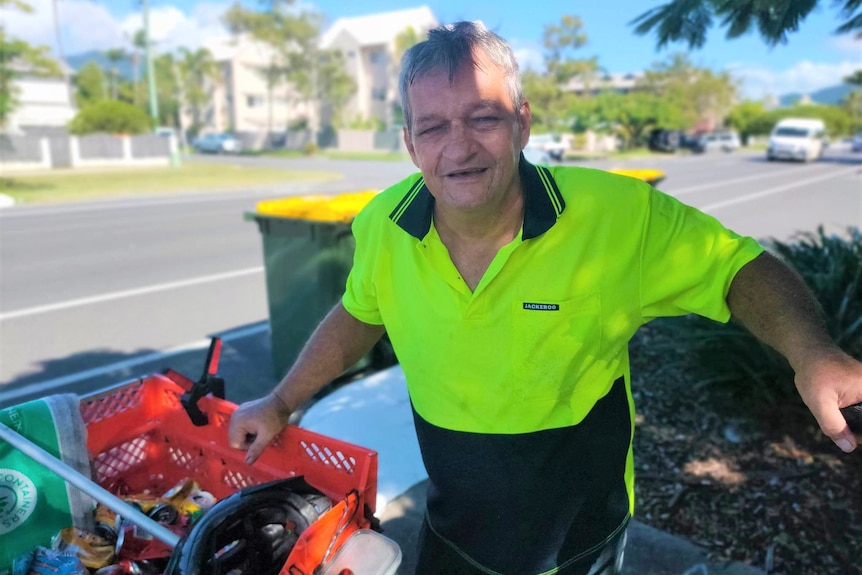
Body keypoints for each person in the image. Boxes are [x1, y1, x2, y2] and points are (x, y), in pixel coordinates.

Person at [229, 21, 862, 575]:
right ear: (410, 142)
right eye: (434, 127)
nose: (459, 147)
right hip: (454, 520)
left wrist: (813, 353)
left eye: (483, 118)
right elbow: (358, 314)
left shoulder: (615, 217)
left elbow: (736, 269)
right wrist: (281, 399)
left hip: (579, 531)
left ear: (523, 122)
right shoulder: (382, 226)